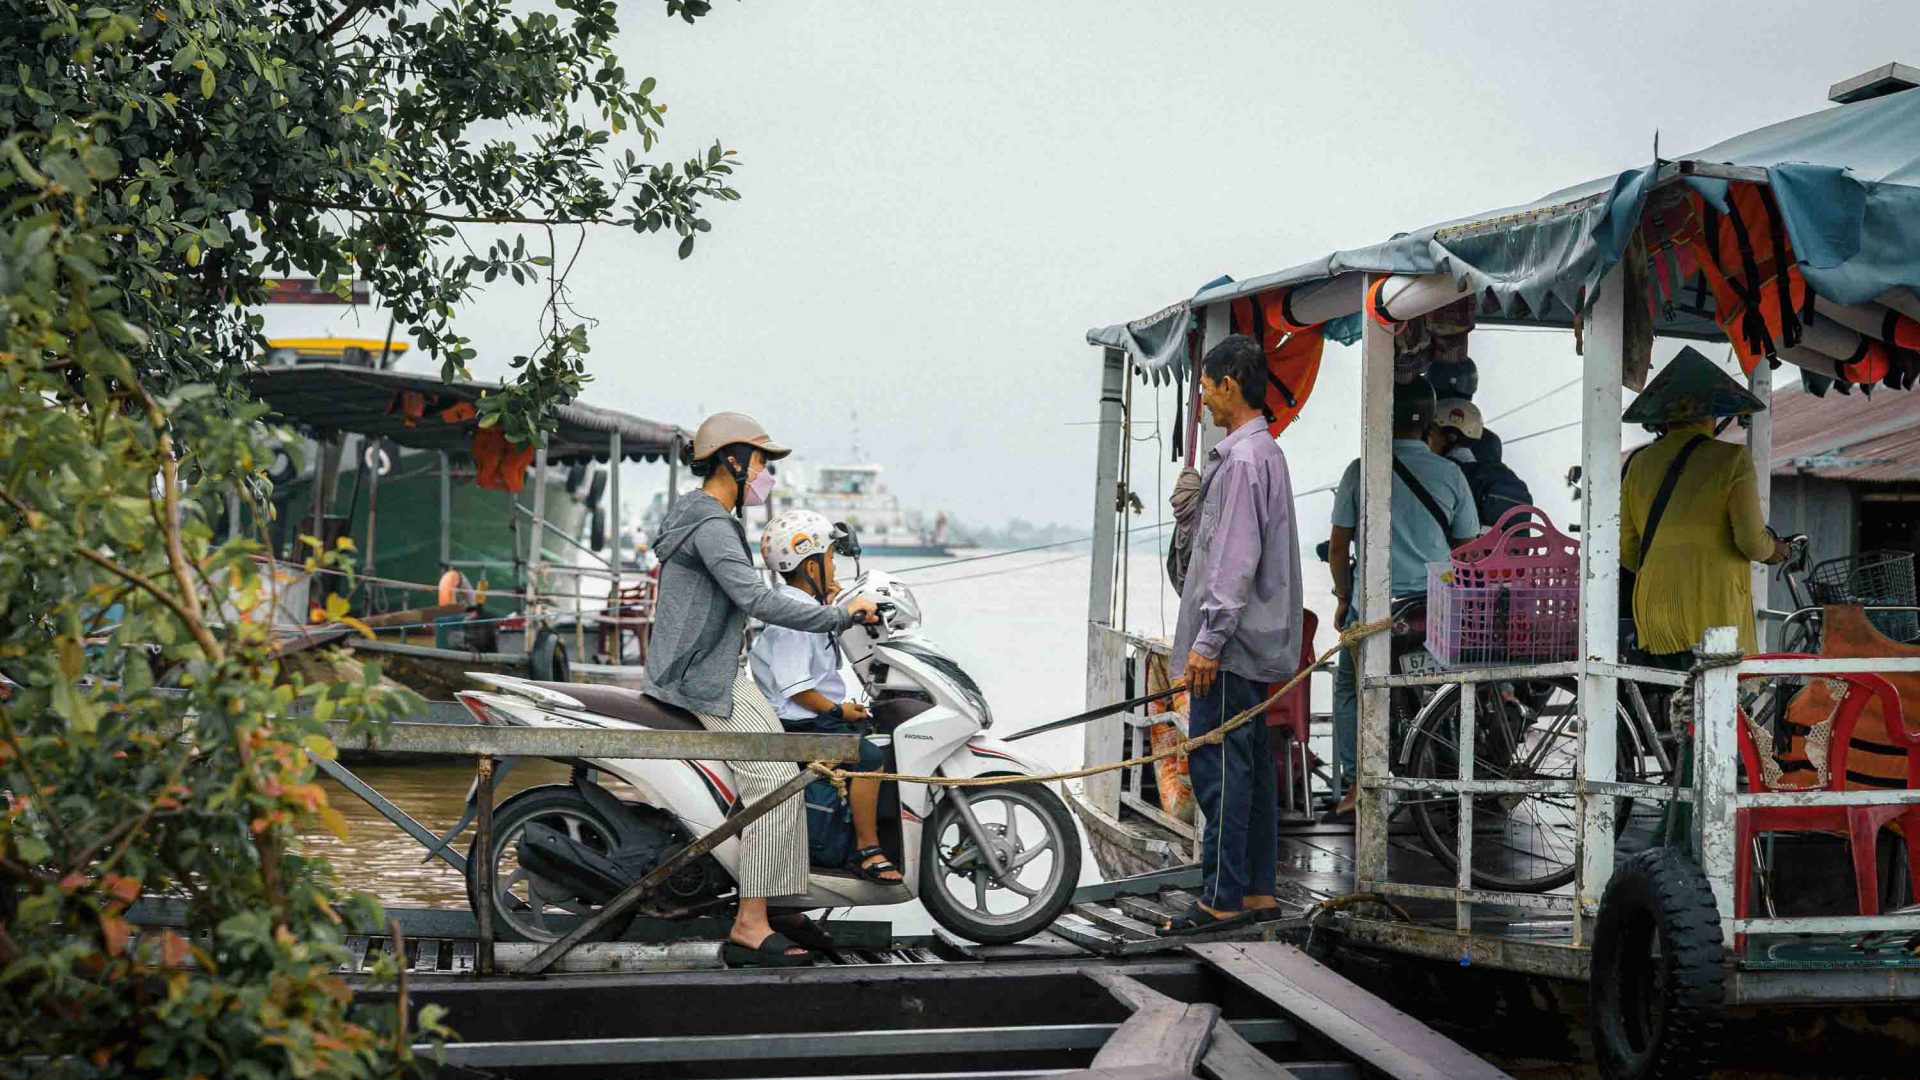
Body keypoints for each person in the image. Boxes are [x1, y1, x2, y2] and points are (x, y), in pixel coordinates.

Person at [645, 412, 880, 968]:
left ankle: (781, 904)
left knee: (788, 769)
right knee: (776, 776)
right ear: (731, 459)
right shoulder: (710, 524)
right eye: (760, 461)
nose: (764, 473)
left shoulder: (709, 517)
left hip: (711, 667)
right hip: (700, 677)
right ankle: (751, 924)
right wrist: (837, 615)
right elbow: (756, 599)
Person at [1161, 334, 1303, 935]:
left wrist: (1206, 644)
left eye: (1205, 386)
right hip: (1252, 647)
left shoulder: (1243, 462)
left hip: (1232, 648)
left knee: (1221, 771)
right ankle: (1257, 894)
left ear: (1227, 384)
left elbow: (1232, 564)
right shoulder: (1264, 453)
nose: (1201, 398)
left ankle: (1220, 899)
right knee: (1251, 768)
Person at [1326, 376, 1479, 821]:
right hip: (1434, 607)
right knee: (1447, 691)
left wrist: (1341, 596)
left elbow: (1338, 547)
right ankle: (1452, 784)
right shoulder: (1451, 473)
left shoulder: (1362, 469)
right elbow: (1467, 545)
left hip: (1375, 610)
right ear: (1430, 423)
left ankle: (1357, 785)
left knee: (1349, 689)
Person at [749, 510, 903, 885]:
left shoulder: (806, 609)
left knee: (876, 736)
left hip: (810, 718)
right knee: (866, 756)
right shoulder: (793, 618)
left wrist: (831, 606)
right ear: (809, 565)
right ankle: (868, 851)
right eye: (830, 560)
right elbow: (797, 690)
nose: (834, 568)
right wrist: (837, 709)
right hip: (798, 724)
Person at [1619, 346, 1788, 668]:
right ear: (1712, 416)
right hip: (1713, 604)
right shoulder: (1732, 458)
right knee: (1717, 704)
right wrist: (1775, 550)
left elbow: (1627, 548)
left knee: (1668, 700)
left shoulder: (1638, 463)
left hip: (1655, 602)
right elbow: (1751, 541)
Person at [1430, 398, 1534, 528]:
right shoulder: (1498, 475)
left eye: (1432, 432)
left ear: (1451, 437)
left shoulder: (1442, 474)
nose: (1428, 439)